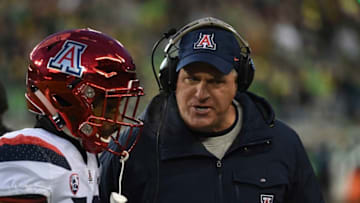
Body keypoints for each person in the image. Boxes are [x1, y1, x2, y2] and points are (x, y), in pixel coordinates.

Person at [100, 17, 325, 203]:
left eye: (215, 82)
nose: (200, 93)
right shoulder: (132, 147)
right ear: (172, 80)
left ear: (239, 84)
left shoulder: (282, 145)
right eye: (191, 79)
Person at [0, 28, 144, 203]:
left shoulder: (86, 155)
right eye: (108, 107)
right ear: (68, 99)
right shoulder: (30, 152)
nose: (118, 119)